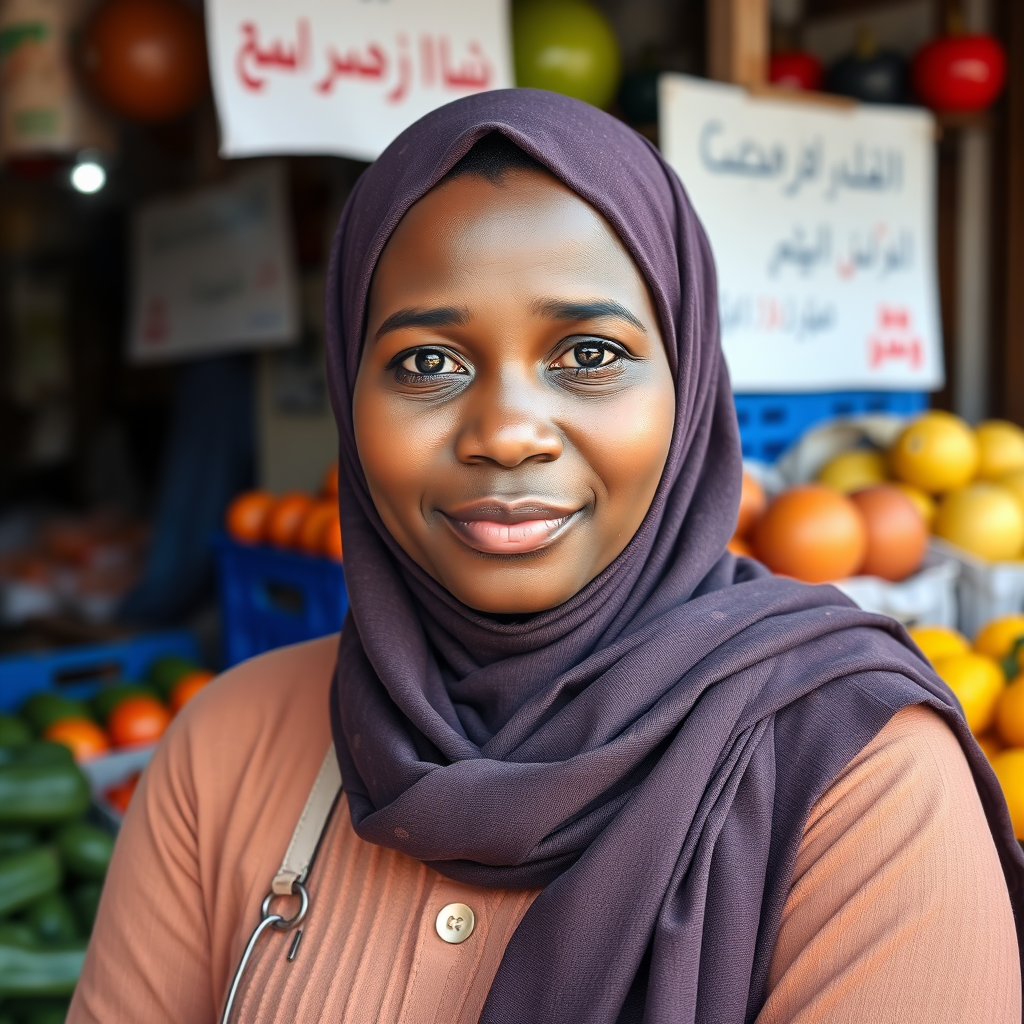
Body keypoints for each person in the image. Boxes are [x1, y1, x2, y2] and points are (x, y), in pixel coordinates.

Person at [69, 89, 1023, 1024]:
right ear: (345, 392)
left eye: (590, 353)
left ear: (688, 383)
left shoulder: (864, 783)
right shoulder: (224, 749)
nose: (509, 433)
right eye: (426, 363)